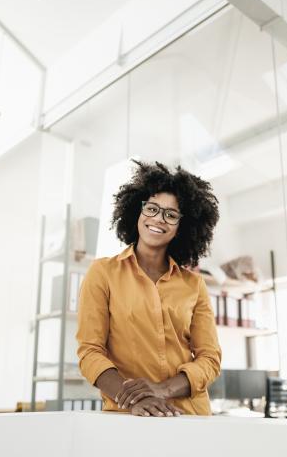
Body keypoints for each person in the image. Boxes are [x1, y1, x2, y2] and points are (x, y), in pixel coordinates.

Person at [76, 160, 221, 417]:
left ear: (181, 227)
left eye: (171, 214)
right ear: (137, 211)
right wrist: (133, 399)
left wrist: (162, 390)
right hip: (129, 416)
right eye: (152, 208)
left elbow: (209, 359)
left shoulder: (194, 284)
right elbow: (90, 352)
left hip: (189, 415)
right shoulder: (103, 273)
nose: (158, 219)